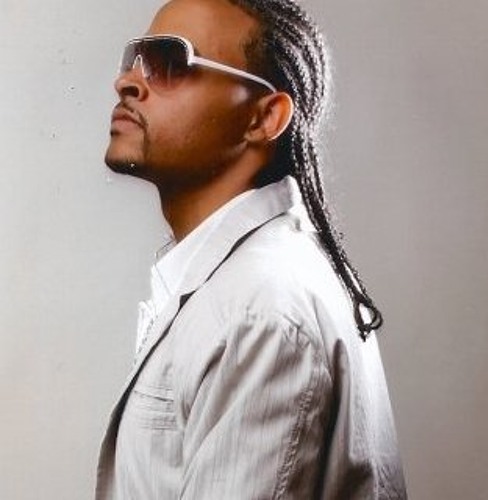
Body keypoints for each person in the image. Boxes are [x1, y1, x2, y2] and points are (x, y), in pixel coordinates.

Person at [95, 0, 407, 498]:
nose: (128, 82)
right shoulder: (239, 287)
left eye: (170, 62)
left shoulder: (259, 310)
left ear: (264, 117)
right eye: (136, 59)